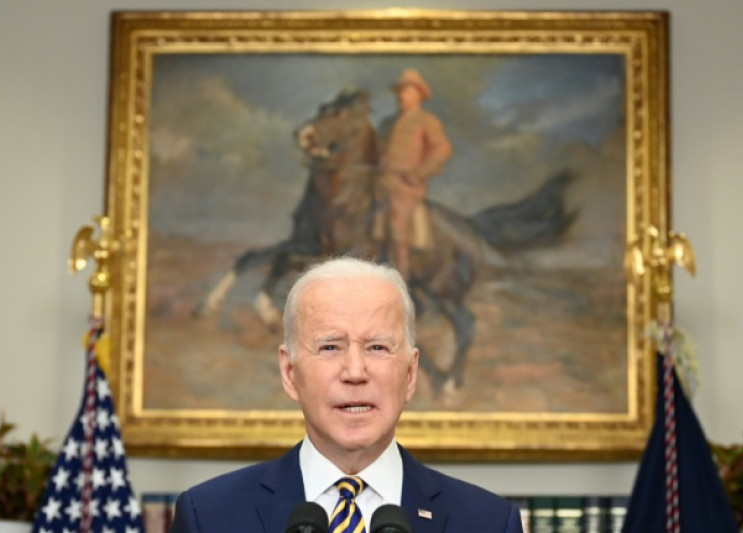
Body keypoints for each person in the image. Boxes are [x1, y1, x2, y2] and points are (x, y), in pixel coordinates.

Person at [170, 256, 522, 533]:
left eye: (377, 347)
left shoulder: (489, 522)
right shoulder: (209, 517)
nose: (355, 372)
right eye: (330, 347)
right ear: (290, 373)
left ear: (410, 374)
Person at [377, 69, 453, 280]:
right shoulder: (388, 123)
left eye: (408, 91)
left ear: (419, 95)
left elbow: (442, 149)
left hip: (406, 187)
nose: (402, 96)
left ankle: (401, 281)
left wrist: (419, 173)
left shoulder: (427, 121)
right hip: (381, 183)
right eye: (400, 91)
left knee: (397, 229)